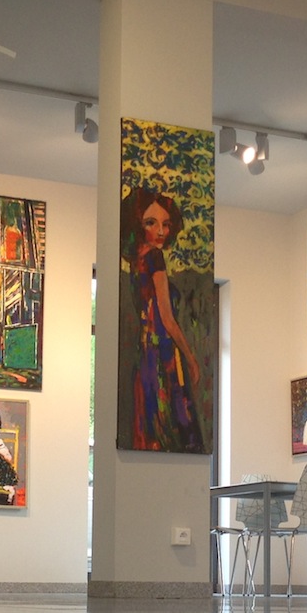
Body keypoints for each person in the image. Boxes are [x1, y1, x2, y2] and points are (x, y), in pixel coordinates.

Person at [122, 188, 203, 451]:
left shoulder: (136, 262)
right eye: (151, 223)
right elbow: (167, 318)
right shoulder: (154, 258)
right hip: (164, 352)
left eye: (166, 224)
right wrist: (190, 357)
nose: (160, 231)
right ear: (137, 224)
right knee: (176, 425)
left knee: (152, 424)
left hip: (145, 352)